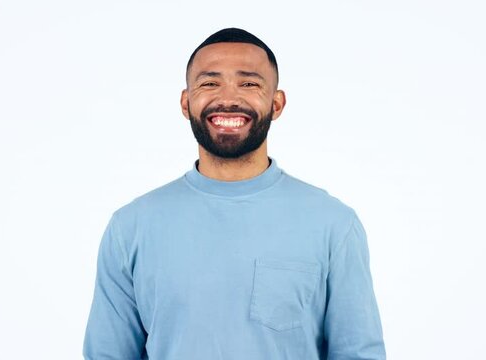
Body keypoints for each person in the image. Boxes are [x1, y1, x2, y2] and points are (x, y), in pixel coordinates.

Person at [83, 28, 386, 360]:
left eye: (249, 83)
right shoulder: (130, 228)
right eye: (210, 83)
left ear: (277, 102)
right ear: (186, 102)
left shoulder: (334, 224)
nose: (228, 98)